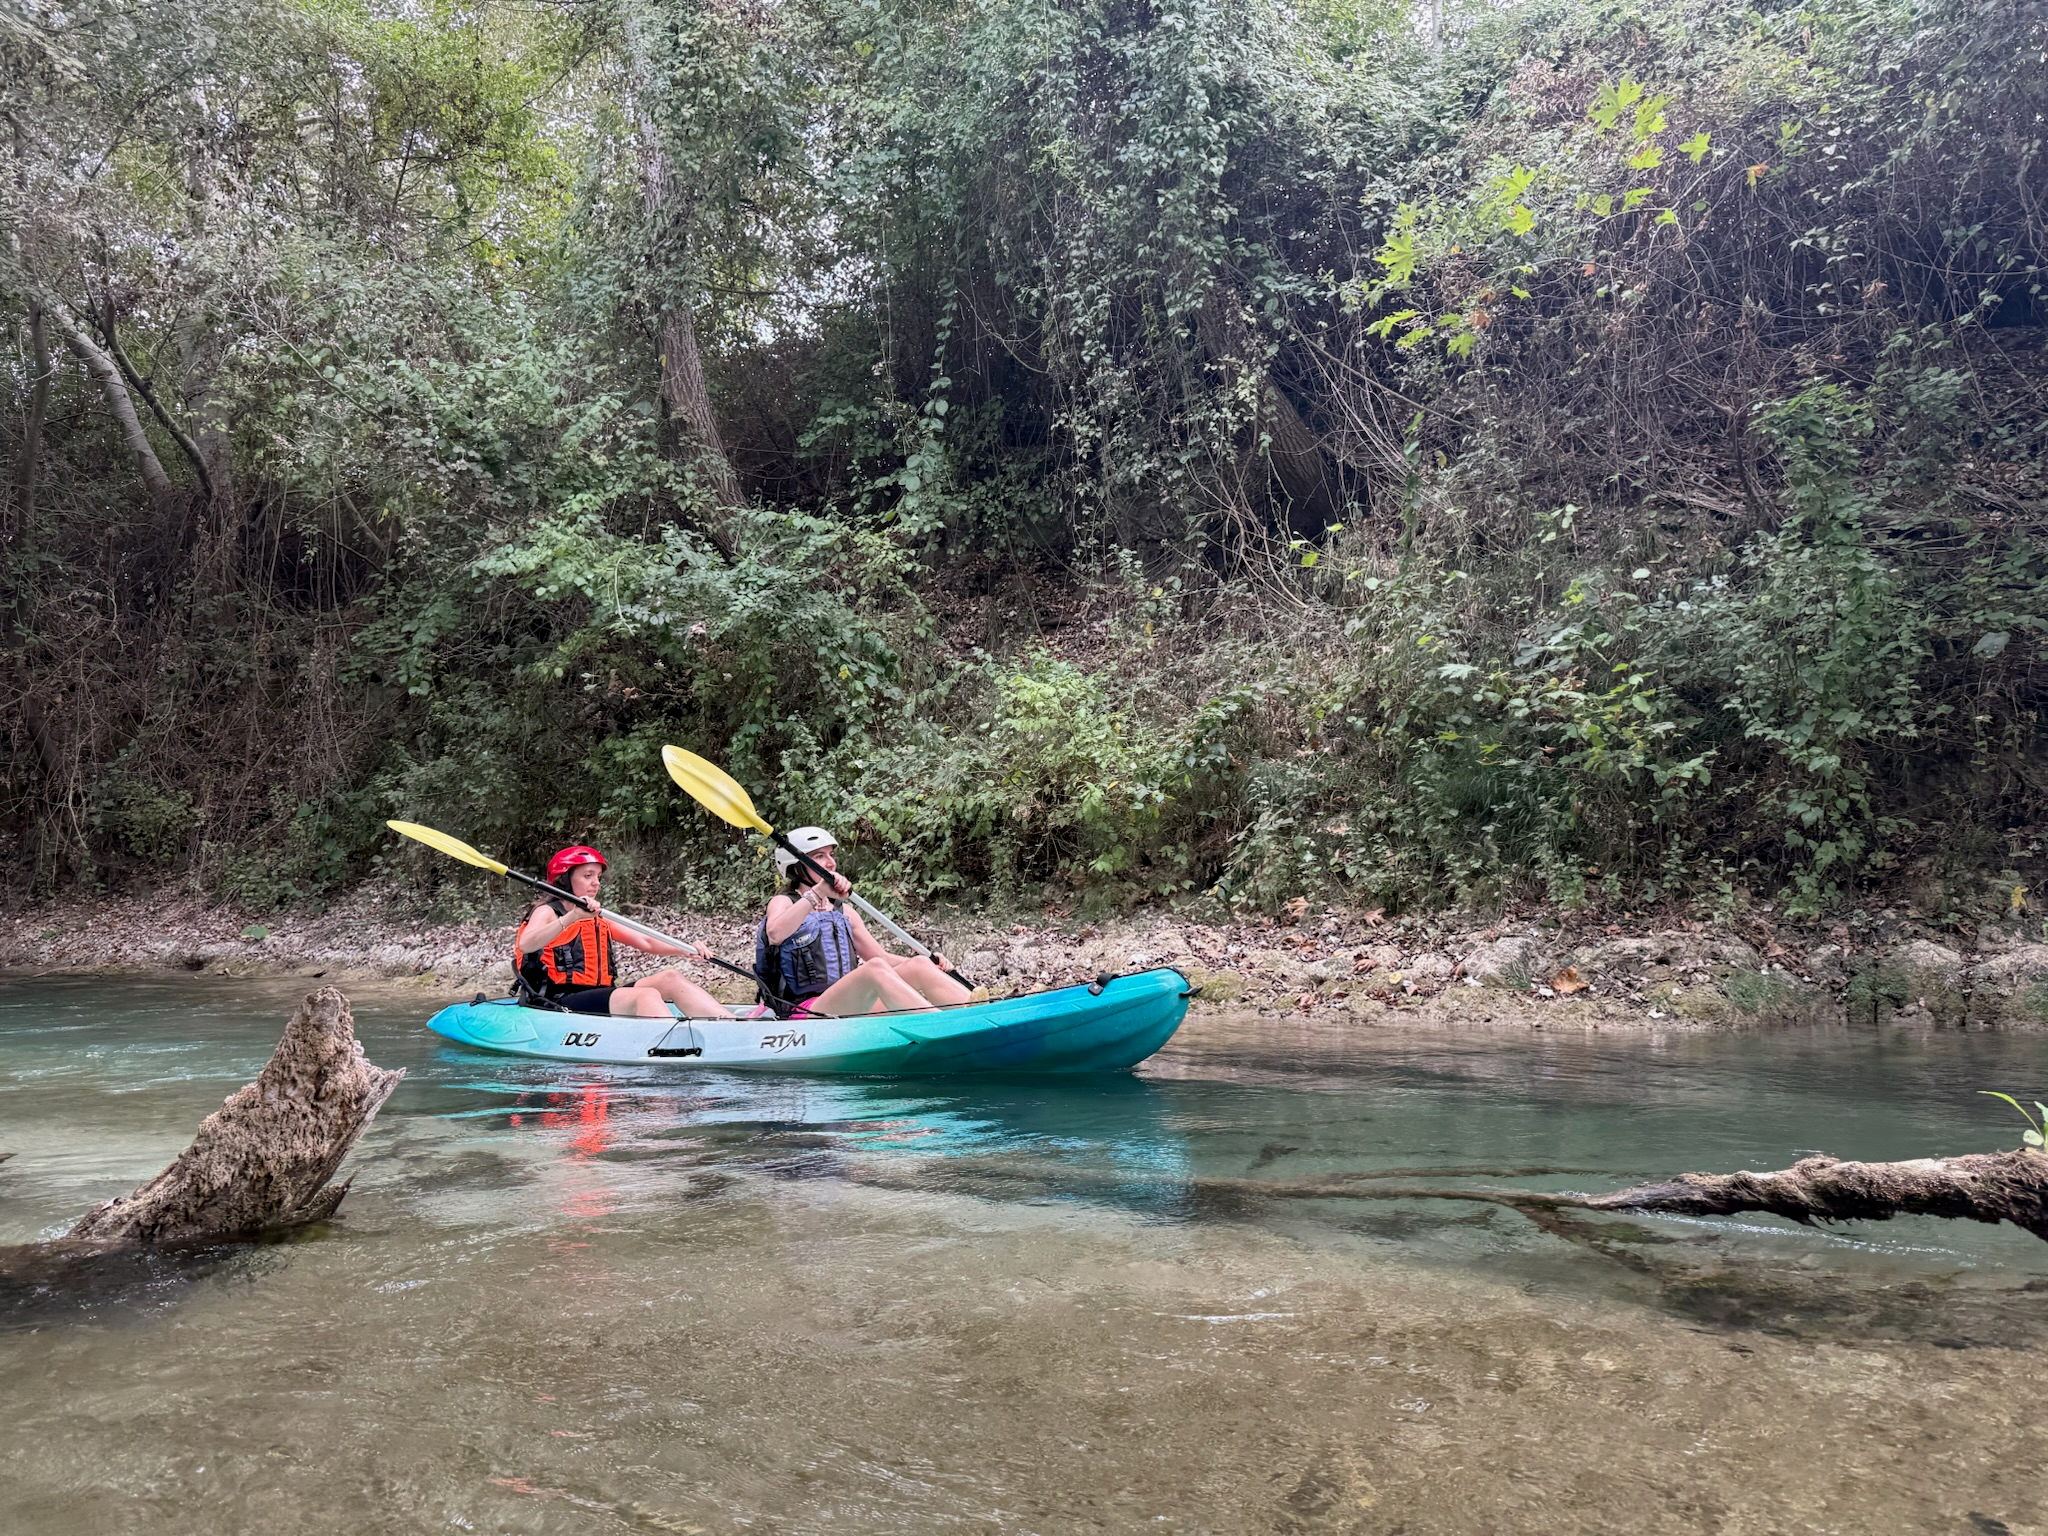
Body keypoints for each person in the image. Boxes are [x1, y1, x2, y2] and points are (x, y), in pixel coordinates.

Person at [755, 828, 971, 1018]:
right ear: (797, 867)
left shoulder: (843, 912)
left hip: (849, 1004)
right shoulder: (783, 902)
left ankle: (977, 1012)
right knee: (874, 969)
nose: (831, 863)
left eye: (831, 855)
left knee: (920, 963)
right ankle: (941, 1025)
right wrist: (818, 892)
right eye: (819, 856)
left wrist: (932, 964)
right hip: (805, 1011)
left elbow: (882, 958)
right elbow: (775, 933)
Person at [516, 845, 726, 1019]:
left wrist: (686, 949)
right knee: (646, 996)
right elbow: (527, 944)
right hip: (559, 997)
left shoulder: (597, 917)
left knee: (670, 977)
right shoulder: (549, 911)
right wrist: (572, 917)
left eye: (598, 876)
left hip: (598, 993)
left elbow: (647, 941)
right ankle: (673, 1045)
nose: (595, 882)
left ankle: (728, 1024)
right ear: (564, 879)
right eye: (587, 876)